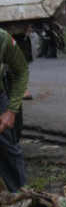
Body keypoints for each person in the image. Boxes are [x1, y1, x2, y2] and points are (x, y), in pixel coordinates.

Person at [0, 27, 29, 192]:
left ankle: (21, 199)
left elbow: (22, 71)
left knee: (7, 148)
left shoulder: (2, 39)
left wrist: (11, 111)